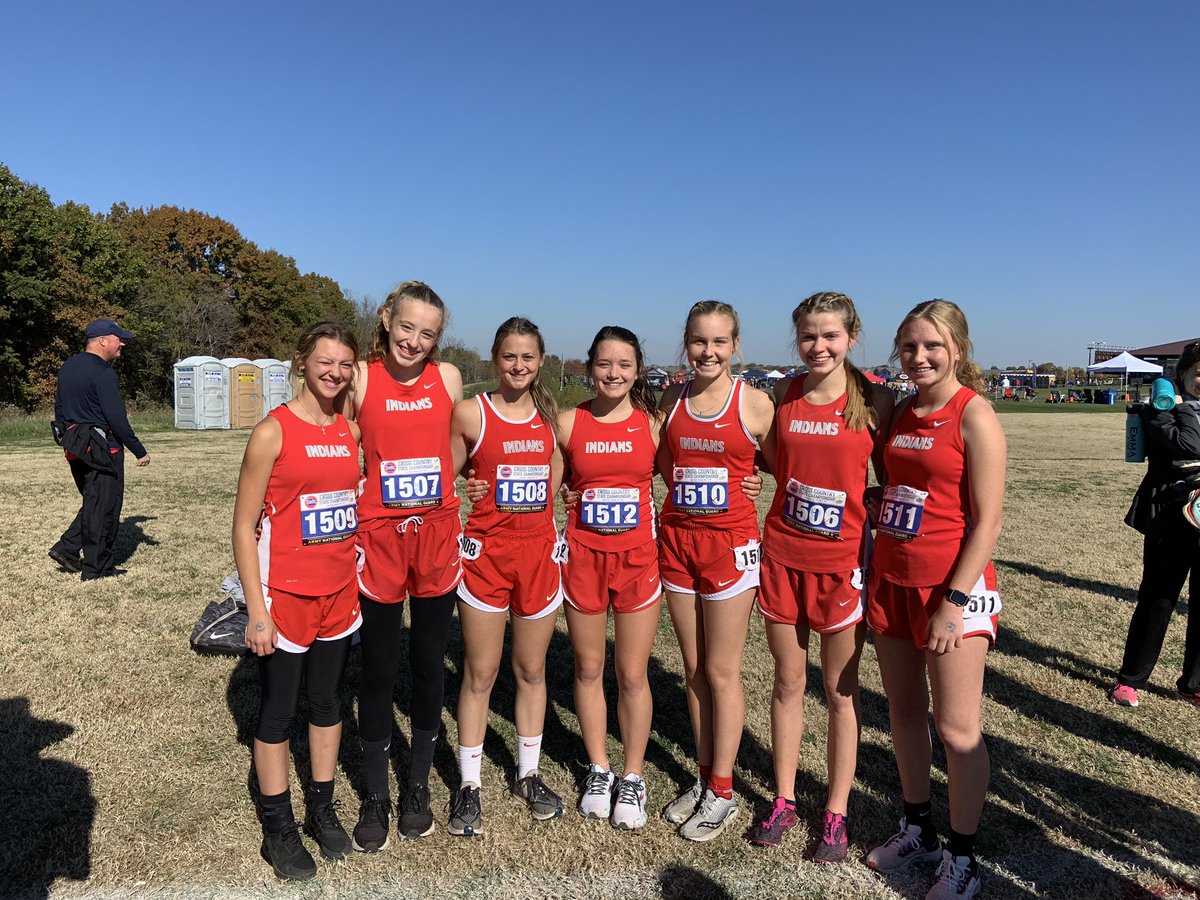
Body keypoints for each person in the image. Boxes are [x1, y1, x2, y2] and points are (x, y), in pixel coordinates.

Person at [864, 300, 1006, 900]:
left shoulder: (974, 414)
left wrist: (952, 600)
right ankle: (917, 826)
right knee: (902, 712)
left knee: (956, 726)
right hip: (893, 579)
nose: (919, 358)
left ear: (959, 350)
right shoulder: (898, 411)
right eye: (909, 347)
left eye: (932, 347)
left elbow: (988, 522)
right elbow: (896, 483)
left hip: (952, 589)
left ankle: (963, 856)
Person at [749, 293, 893, 862]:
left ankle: (835, 812)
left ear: (851, 337)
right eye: (809, 336)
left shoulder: (874, 398)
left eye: (830, 336)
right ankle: (784, 800)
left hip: (842, 567)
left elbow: (893, 478)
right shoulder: (783, 393)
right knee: (787, 684)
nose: (819, 346)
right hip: (783, 556)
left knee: (839, 693)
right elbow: (767, 461)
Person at [232, 322, 363, 881]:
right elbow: (242, 528)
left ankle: (321, 806)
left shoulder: (349, 430)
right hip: (285, 598)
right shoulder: (272, 432)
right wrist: (257, 610)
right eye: (324, 362)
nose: (334, 373)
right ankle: (278, 828)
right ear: (302, 362)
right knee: (280, 713)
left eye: (344, 365)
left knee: (329, 704)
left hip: (339, 595)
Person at [336, 282, 464, 850]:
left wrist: (465, 481)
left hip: (436, 536)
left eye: (428, 332)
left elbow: (461, 444)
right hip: (381, 538)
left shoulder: (451, 378)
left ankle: (417, 785)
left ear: (439, 337)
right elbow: (337, 442)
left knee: (430, 664)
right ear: (386, 320)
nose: (415, 340)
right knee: (380, 670)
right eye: (407, 327)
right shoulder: (361, 377)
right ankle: (374, 793)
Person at [657, 300, 774, 842]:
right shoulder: (669, 398)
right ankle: (705, 778)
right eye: (699, 342)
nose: (708, 352)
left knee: (723, 671)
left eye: (719, 342)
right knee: (694, 668)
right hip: (678, 542)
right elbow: (664, 466)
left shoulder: (754, 404)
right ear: (687, 344)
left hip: (729, 546)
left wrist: (757, 482)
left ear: (735, 346)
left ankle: (724, 790)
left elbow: (779, 462)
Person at [447, 316, 565, 836]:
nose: (519, 365)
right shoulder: (472, 414)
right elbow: (446, 480)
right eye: (509, 356)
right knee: (479, 672)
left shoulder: (551, 418)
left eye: (528, 357)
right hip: (486, 557)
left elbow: (557, 483)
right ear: (496, 359)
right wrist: (466, 495)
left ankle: (528, 773)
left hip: (537, 557)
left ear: (540, 362)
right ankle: (469, 783)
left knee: (532, 671)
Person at [1109, 341, 1200, 709]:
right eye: (1198, 374)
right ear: (1183, 374)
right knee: (1158, 599)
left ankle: (1193, 684)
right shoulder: (1158, 407)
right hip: (1170, 516)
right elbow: (1190, 444)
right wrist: (1169, 412)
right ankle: (1130, 680)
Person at [49, 319, 151, 580]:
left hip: (75, 446)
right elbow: (116, 418)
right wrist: (139, 450)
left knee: (95, 503)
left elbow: (59, 408)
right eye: (119, 339)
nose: (123, 343)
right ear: (103, 341)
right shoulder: (104, 372)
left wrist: (67, 439)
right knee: (106, 507)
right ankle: (96, 568)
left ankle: (68, 548)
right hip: (104, 448)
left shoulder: (68, 367)